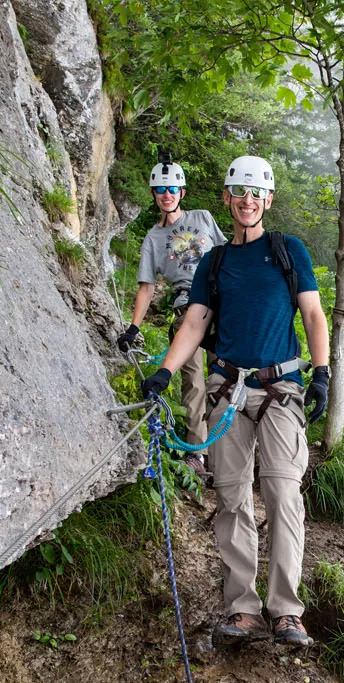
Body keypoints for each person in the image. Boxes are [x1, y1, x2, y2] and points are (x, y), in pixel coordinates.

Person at [140, 155, 330, 648]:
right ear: (226, 198)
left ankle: (286, 611)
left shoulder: (288, 251)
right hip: (227, 390)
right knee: (230, 498)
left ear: (267, 200)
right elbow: (196, 321)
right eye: (239, 193)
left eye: (256, 194)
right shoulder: (216, 261)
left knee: (284, 495)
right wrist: (164, 370)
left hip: (280, 389)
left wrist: (322, 371)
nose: (248, 201)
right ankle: (242, 608)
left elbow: (312, 313)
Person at [116, 156, 225, 475]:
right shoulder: (153, 238)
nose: (167, 194)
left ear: (182, 191)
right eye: (161, 189)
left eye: (172, 188)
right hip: (185, 310)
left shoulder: (203, 218)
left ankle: (227, 449)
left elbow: (226, 253)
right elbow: (147, 287)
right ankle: (198, 453)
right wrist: (134, 327)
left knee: (224, 378)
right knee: (192, 381)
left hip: (219, 306)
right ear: (154, 194)